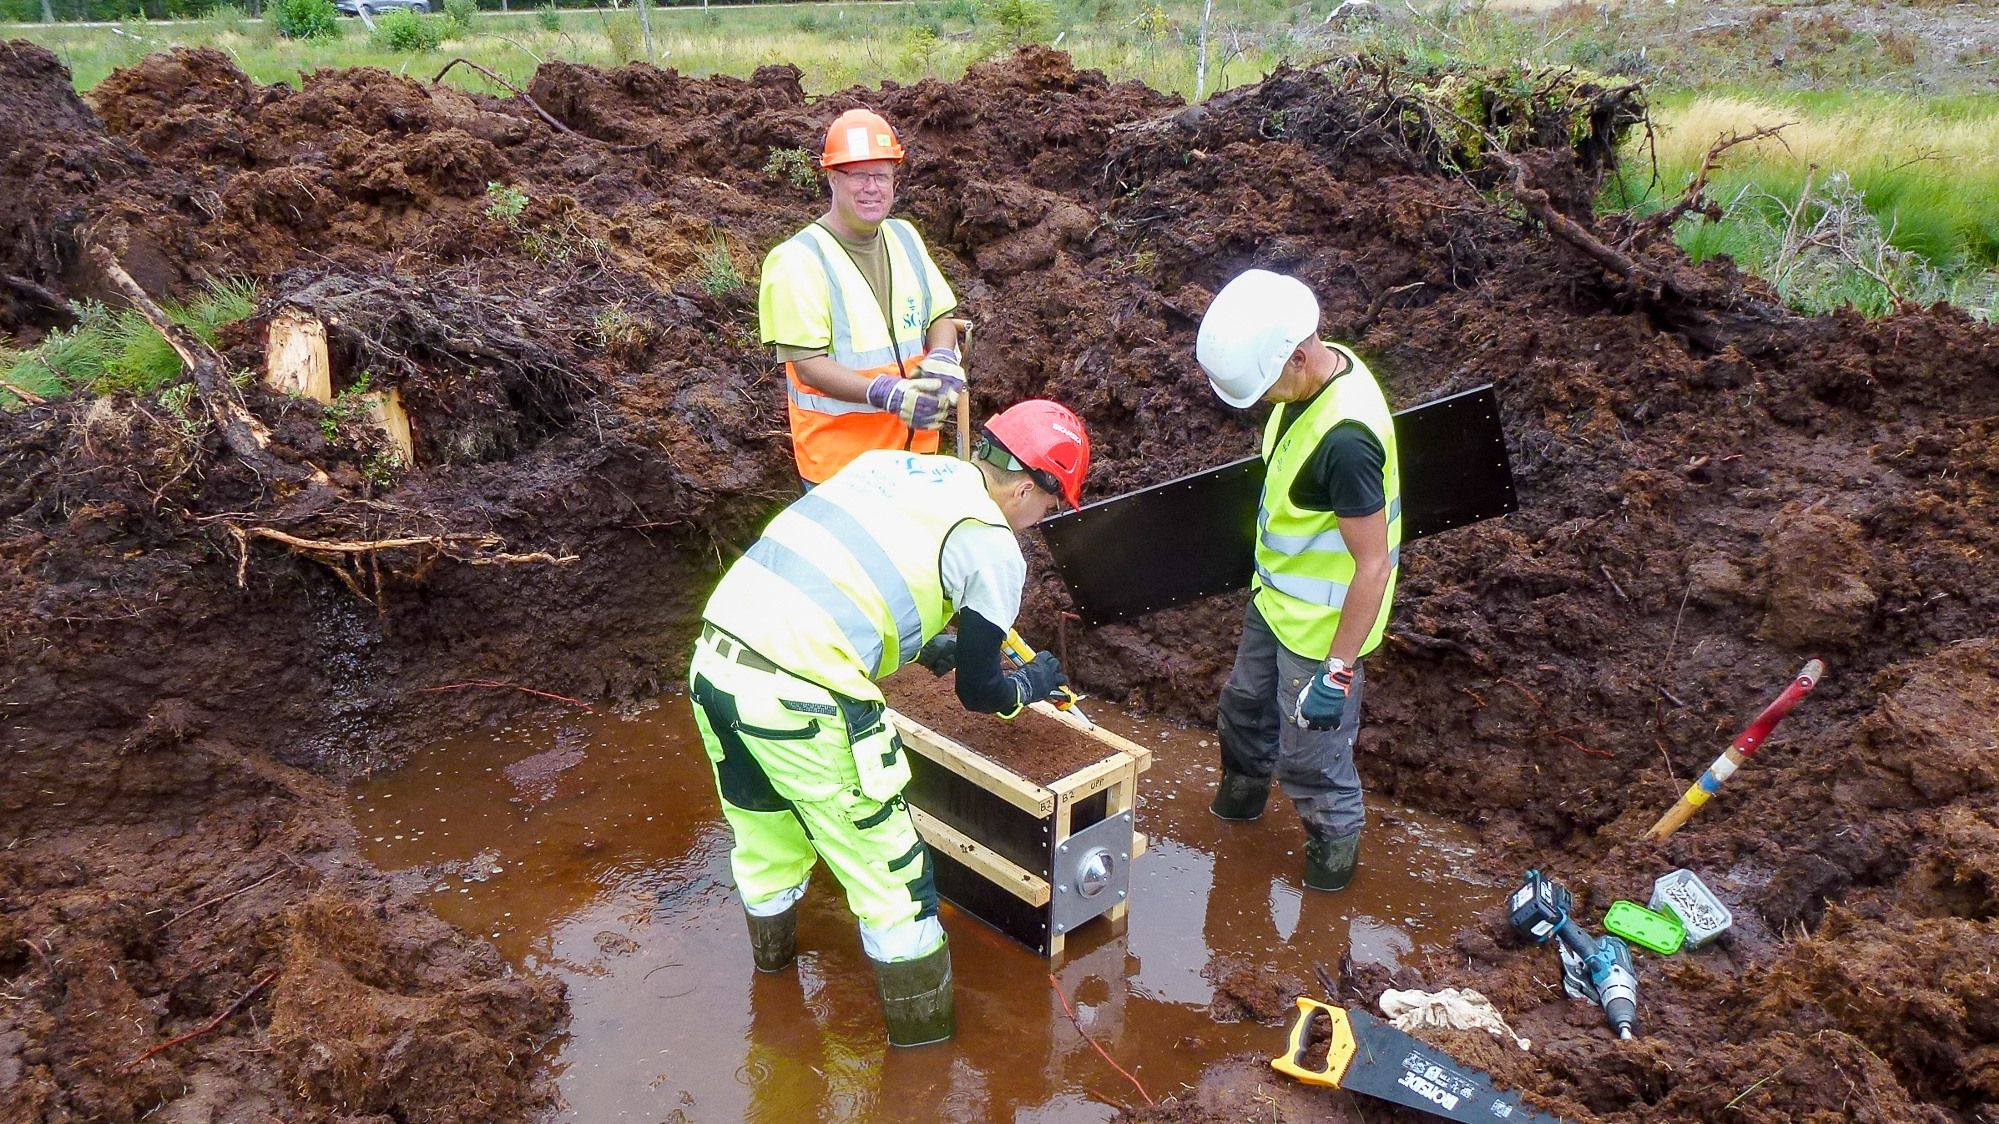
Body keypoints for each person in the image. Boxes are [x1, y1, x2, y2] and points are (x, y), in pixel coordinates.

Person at [687, 400, 1090, 1046]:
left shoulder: (895, 467)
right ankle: (924, 1066)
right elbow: (983, 693)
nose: (1036, 523)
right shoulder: (991, 546)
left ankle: (774, 992)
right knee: (895, 884)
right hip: (799, 694)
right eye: (1046, 508)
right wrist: (1032, 683)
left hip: (716, 660)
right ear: (1025, 489)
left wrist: (930, 645)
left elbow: (855, 573)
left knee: (766, 841)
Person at [1195, 269, 1402, 893]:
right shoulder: (1310, 382)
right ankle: (1237, 811)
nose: (1262, 399)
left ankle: (1329, 882)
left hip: (1321, 631)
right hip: (1276, 601)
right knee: (1245, 710)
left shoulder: (1346, 443)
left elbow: (1374, 563)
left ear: (1299, 355)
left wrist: (1335, 675)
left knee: (1313, 763)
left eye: (1266, 384)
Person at [759, 107, 965, 489]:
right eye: (859, 175)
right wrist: (884, 392)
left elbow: (939, 315)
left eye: (882, 175)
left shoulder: (905, 237)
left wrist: (940, 356)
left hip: (915, 460)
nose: (872, 187)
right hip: (843, 474)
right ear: (832, 179)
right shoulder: (796, 260)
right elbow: (808, 366)